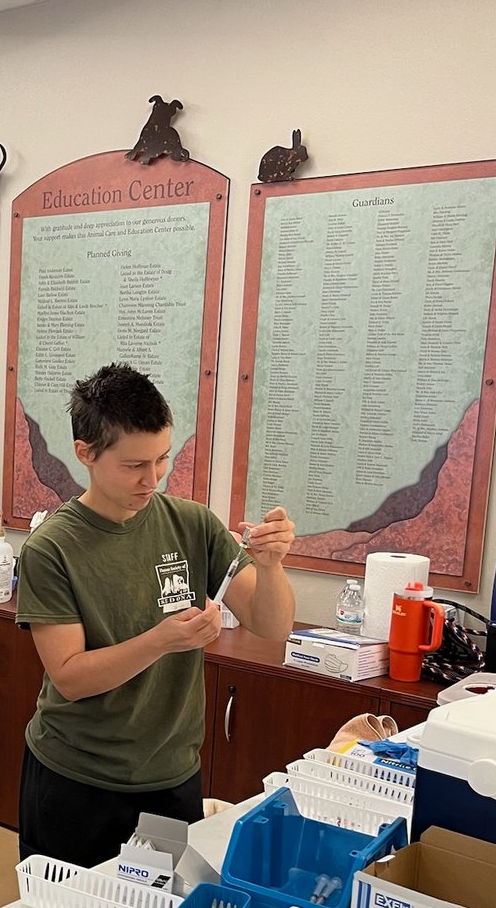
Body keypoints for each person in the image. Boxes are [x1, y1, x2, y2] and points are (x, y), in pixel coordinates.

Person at [17, 363, 296, 868]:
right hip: (78, 779)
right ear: (85, 453)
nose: (153, 478)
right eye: (133, 465)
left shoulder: (190, 524)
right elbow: (71, 678)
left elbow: (272, 626)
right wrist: (162, 640)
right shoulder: (53, 547)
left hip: (170, 775)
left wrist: (272, 566)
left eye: (162, 458)